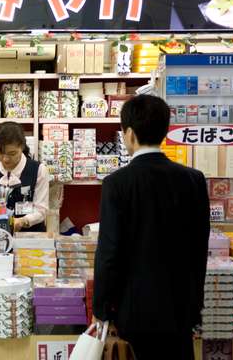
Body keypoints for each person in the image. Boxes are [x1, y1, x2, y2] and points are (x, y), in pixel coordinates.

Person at [92, 95, 210, 360]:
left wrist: (101, 308)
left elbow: (109, 252)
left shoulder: (117, 183)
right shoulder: (193, 180)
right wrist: (194, 304)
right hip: (180, 308)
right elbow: (200, 248)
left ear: (130, 133)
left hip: (135, 311)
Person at [0, 121, 49, 232]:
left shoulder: (39, 170)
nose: (5, 159)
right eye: (0, 153)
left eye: (12, 153)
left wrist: (23, 221)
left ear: (21, 147)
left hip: (30, 237)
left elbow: (41, 210)